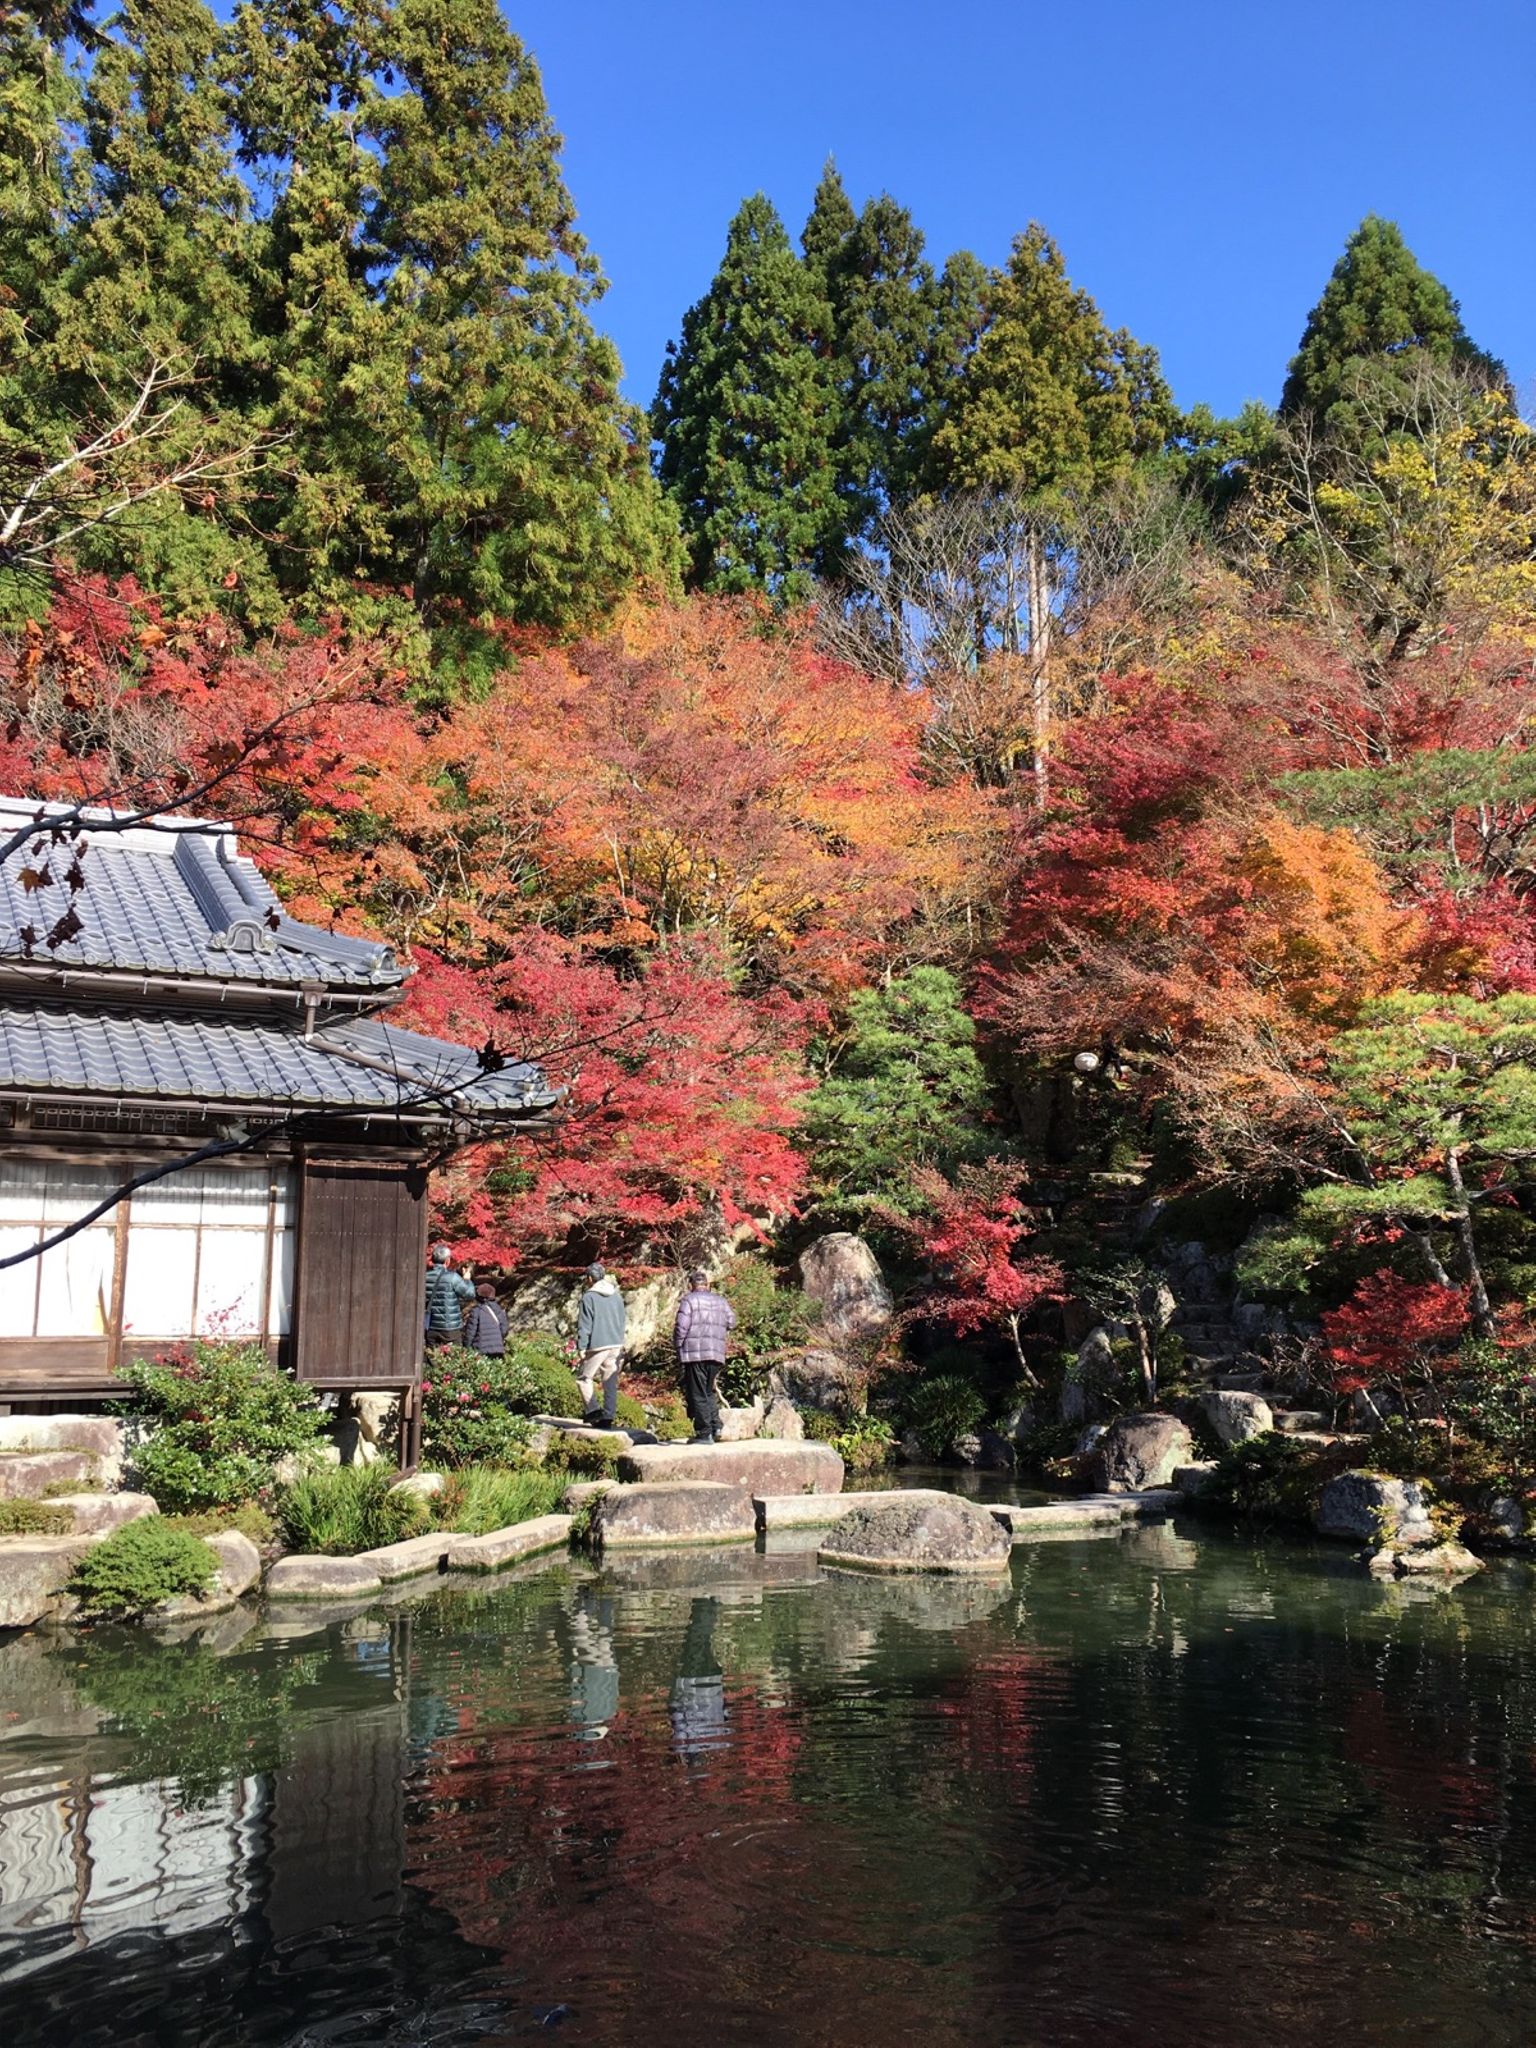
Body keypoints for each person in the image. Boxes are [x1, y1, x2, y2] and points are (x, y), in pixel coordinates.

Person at [673, 1269, 736, 1444]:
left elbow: (681, 1327)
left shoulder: (689, 1300)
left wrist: (678, 1347)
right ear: (707, 1284)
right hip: (716, 1352)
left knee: (698, 1393)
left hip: (694, 1354)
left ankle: (704, 1433)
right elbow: (732, 1322)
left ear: (691, 1285)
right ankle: (716, 1426)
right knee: (708, 1391)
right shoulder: (721, 1301)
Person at [575, 1261, 626, 1426]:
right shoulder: (616, 1295)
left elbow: (585, 1325)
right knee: (609, 1381)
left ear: (590, 1278)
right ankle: (608, 1416)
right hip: (615, 1343)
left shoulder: (589, 1297)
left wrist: (582, 1347)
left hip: (597, 1344)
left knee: (584, 1378)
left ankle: (593, 1410)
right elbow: (622, 1319)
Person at [424, 1243, 474, 1348]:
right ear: (447, 1261)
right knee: (454, 1359)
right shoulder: (452, 1277)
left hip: (431, 1327)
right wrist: (467, 1280)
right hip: (451, 1328)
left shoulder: (424, 1277)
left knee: (433, 1358)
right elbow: (470, 1294)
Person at [462, 1279, 509, 1357]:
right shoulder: (499, 1309)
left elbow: (470, 1332)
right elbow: (504, 1329)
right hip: (498, 1349)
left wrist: (466, 1347)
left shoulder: (476, 1311)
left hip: (481, 1349)